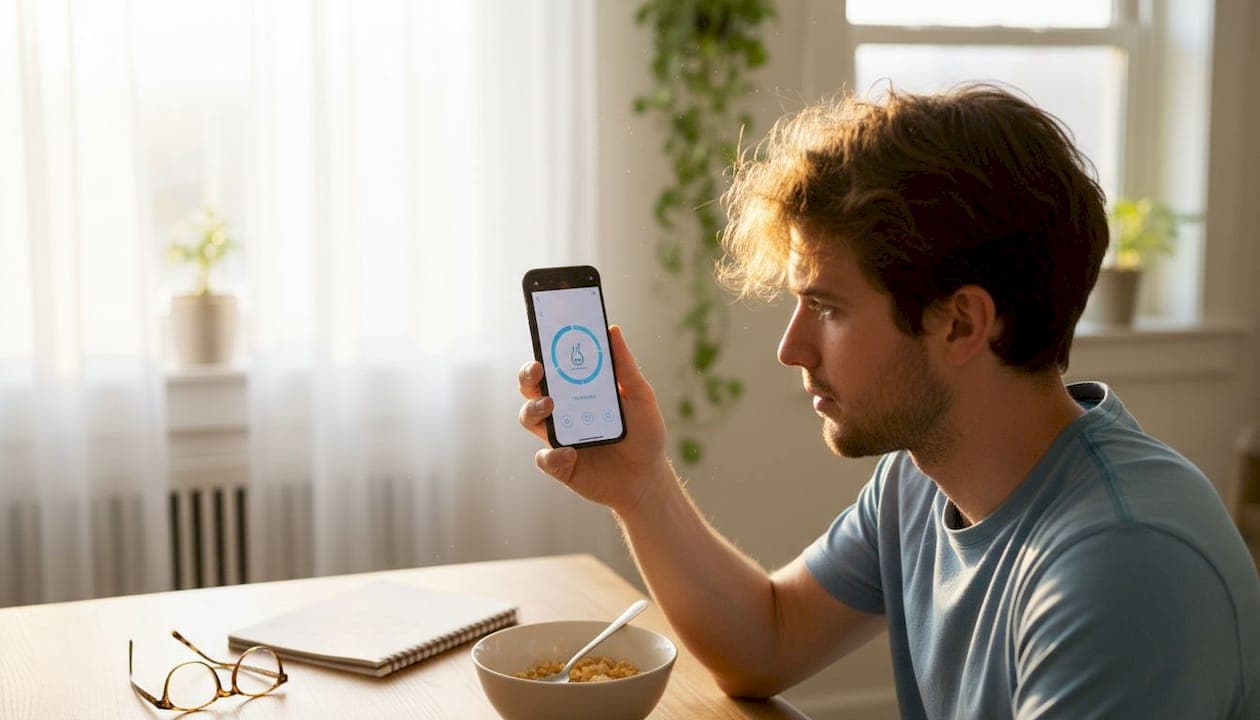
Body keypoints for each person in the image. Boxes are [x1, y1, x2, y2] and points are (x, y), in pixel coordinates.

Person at [516, 85, 1260, 719]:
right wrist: (641, 486)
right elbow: (765, 641)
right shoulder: (920, 480)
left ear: (962, 322)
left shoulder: (1124, 569)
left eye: (829, 309)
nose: (792, 349)